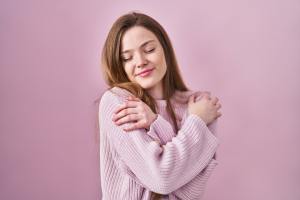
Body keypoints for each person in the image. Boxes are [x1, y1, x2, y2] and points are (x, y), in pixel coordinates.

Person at [98, 11, 222, 200]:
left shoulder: (199, 105)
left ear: (165, 49)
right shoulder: (119, 102)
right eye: (127, 58)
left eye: (148, 50)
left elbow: (190, 192)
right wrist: (193, 122)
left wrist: (155, 123)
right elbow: (162, 179)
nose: (140, 62)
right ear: (119, 64)